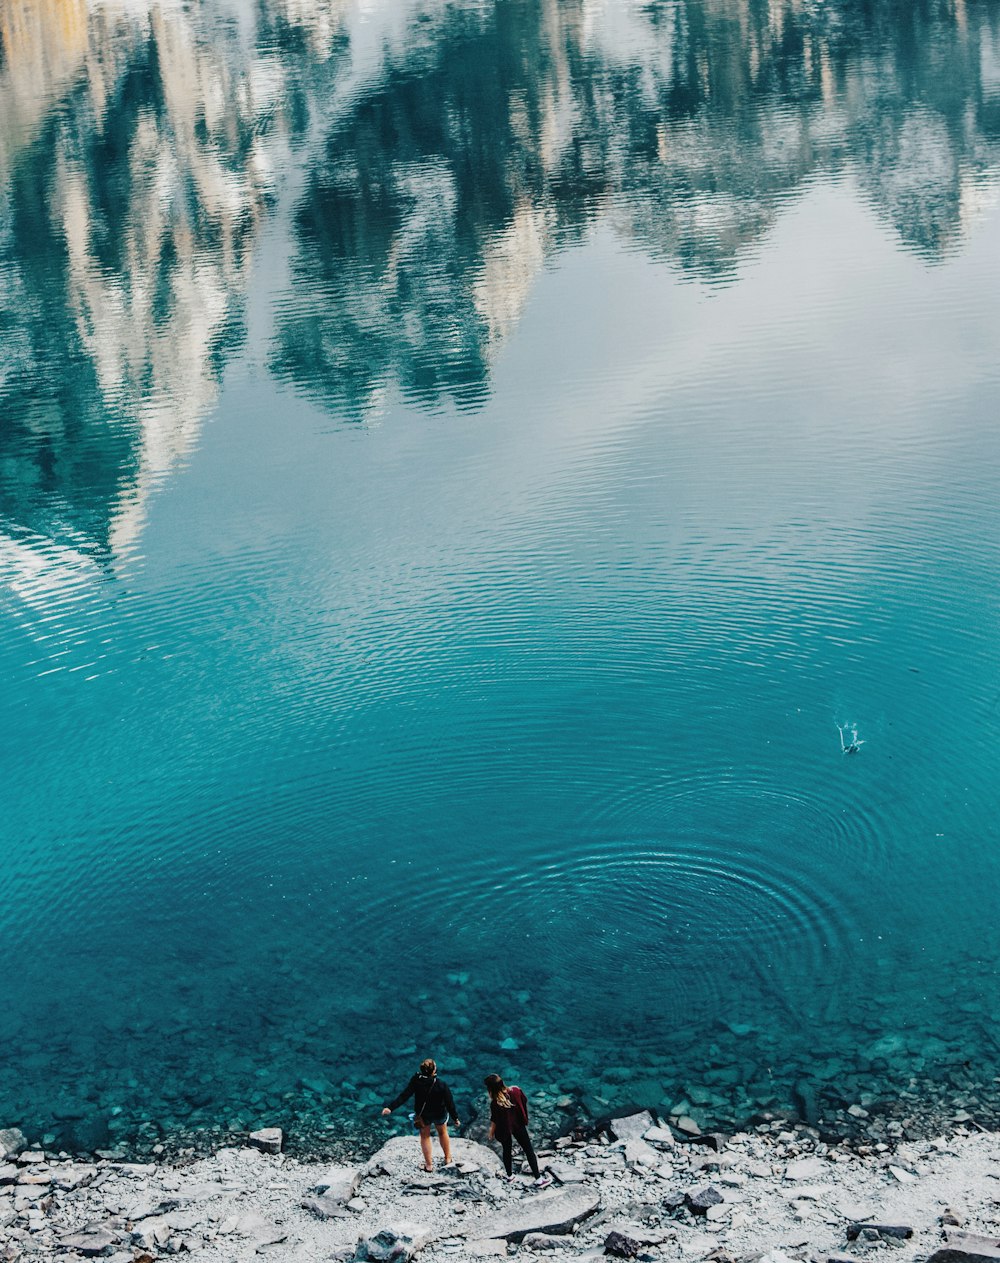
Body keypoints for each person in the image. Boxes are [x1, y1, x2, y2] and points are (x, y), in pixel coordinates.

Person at [381, 1058, 460, 1171]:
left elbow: (404, 1096)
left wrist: (390, 1108)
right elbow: (449, 1103)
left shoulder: (416, 1081)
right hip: (439, 1113)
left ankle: (429, 1165)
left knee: (425, 1137)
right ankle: (447, 1158)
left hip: (423, 1115)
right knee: (442, 1132)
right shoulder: (441, 1084)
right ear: (434, 1070)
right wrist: (455, 1117)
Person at [484, 1073, 551, 1186]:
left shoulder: (495, 1103)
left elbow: (495, 1120)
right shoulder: (515, 1090)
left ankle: (510, 1176)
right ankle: (539, 1179)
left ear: (491, 1089)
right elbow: (524, 1101)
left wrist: (491, 1133)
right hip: (518, 1125)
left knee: (507, 1151)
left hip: (505, 1129)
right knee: (528, 1150)